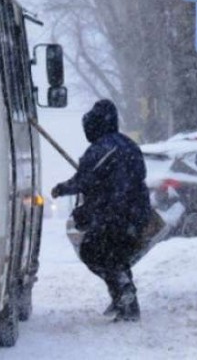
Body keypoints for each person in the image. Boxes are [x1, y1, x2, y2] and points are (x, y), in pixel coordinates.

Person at [51, 99, 151, 322]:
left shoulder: (100, 150)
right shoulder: (129, 145)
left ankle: (124, 293)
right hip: (136, 213)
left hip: (114, 215)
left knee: (93, 251)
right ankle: (124, 299)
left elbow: (84, 181)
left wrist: (61, 189)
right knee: (118, 254)